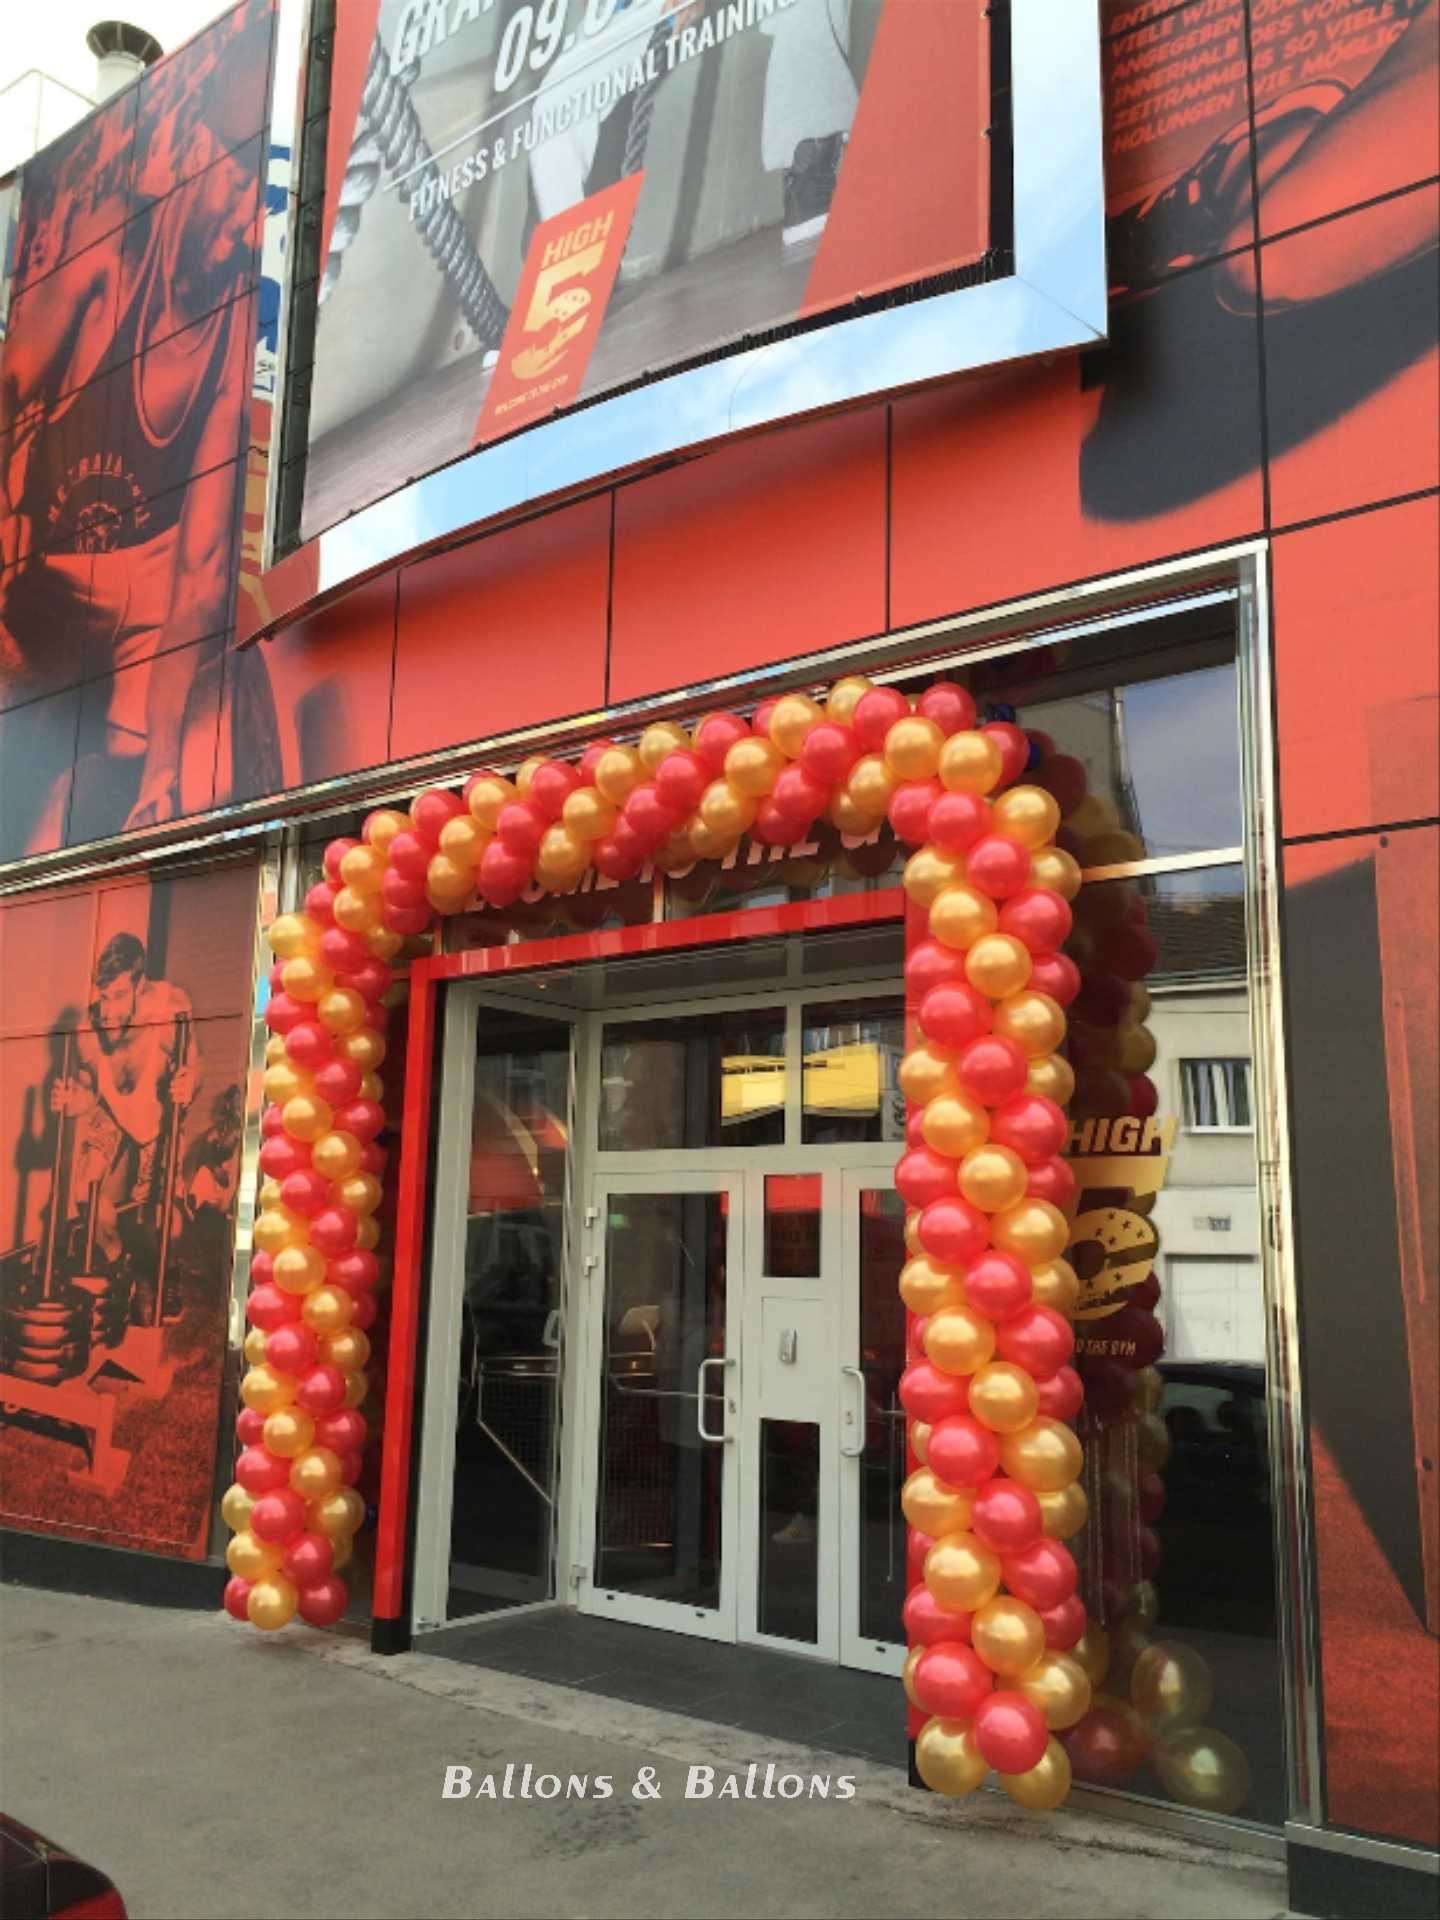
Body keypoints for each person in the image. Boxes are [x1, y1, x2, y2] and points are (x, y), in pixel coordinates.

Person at [49, 932, 197, 1321]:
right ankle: (121, 1266)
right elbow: (87, 1095)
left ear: (139, 983)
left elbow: (194, 1069)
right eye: (104, 996)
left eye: (118, 996)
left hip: (159, 1110)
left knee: (164, 1216)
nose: (109, 1010)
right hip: (115, 1113)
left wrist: (188, 1082)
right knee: (84, 1192)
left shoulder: (170, 1006)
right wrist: (70, 1102)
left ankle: (169, 1276)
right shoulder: (89, 1026)